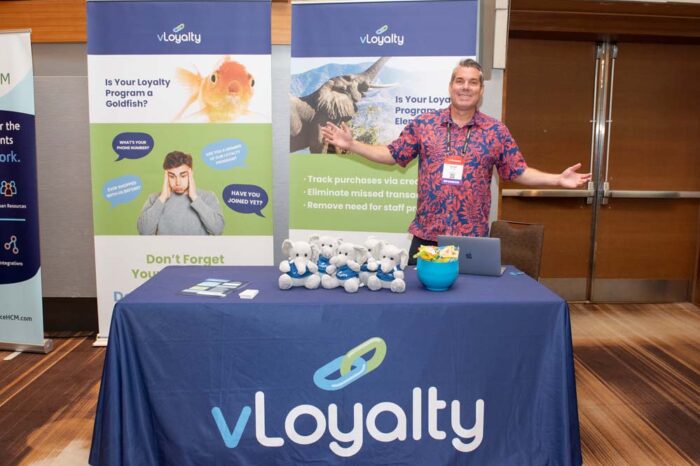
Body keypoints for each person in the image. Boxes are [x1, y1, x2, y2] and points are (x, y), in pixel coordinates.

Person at [321, 58, 591, 262]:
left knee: (468, 310)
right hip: (427, 237)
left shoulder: (496, 131)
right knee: (420, 308)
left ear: (481, 90)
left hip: (471, 242)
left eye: (473, 82)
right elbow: (393, 154)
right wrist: (352, 145)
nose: (465, 87)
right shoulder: (425, 124)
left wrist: (557, 179)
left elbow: (518, 171)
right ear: (451, 86)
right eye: (460, 81)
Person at [137, 151, 225, 235]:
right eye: (172, 176)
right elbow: (144, 232)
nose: (178, 182)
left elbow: (218, 229)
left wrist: (194, 197)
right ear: (166, 176)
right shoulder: (154, 198)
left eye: (183, 176)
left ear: (191, 173)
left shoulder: (207, 196)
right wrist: (162, 198)